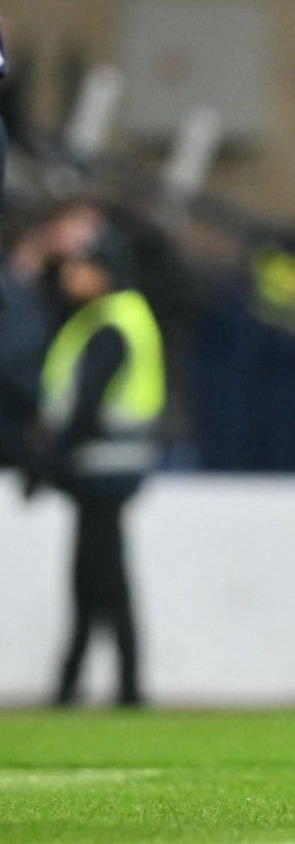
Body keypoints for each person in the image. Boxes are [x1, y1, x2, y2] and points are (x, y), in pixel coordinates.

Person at [29, 223, 163, 708]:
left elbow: (85, 406)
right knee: (98, 577)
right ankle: (96, 685)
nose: (71, 275)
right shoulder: (117, 316)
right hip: (111, 467)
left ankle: (115, 687)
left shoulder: (109, 322)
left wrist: (47, 462)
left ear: (104, 271)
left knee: (98, 579)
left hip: (103, 467)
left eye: (81, 266)